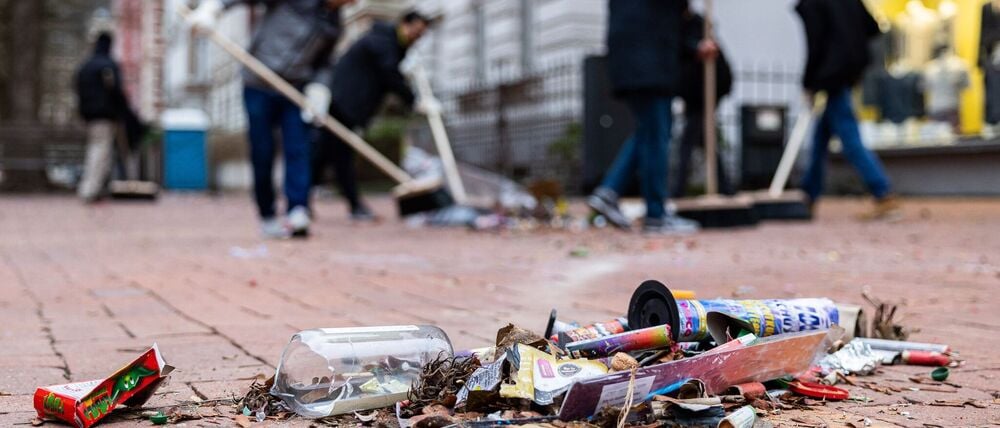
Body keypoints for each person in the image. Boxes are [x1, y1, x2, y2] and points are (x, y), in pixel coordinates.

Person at [188, 0, 355, 238]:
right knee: (262, 151)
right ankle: (267, 213)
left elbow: (324, 64)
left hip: (295, 90)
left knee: (299, 148)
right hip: (258, 84)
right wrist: (213, 8)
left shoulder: (333, 25)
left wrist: (320, 87)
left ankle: (297, 209)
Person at [308, 11, 433, 220]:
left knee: (326, 154)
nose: (417, 37)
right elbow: (390, 74)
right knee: (338, 155)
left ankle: (303, 201)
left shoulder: (390, 43)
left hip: (346, 104)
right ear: (405, 24)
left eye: (421, 35)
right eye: (416, 31)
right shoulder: (383, 42)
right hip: (344, 103)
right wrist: (414, 100)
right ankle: (351, 206)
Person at [586, 0, 699, 233]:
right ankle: (656, 214)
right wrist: (694, 45)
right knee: (656, 135)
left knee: (648, 131)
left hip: (627, 61)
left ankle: (609, 191)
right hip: (652, 63)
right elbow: (670, 18)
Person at [796, 0, 900, 220]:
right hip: (846, 72)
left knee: (849, 137)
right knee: (820, 137)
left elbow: (814, 44)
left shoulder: (812, 5)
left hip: (831, 76)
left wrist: (809, 82)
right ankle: (808, 195)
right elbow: (872, 28)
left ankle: (882, 192)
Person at [674, 2, 734, 198]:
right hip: (696, 94)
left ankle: (678, 189)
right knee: (705, 140)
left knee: (690, 140)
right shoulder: (683, 25)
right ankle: (725, 187)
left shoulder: (697, 25)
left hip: (705, 93)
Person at [75, 32, 128, 203]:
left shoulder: (86, 66)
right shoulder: (107, 65)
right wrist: (120, 113)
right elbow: (116, 92)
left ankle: (96, 188)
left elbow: (78, 89)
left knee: (98, 150)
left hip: (88, 116)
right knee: (99, 151)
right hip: (104, 116)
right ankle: (90, 189)